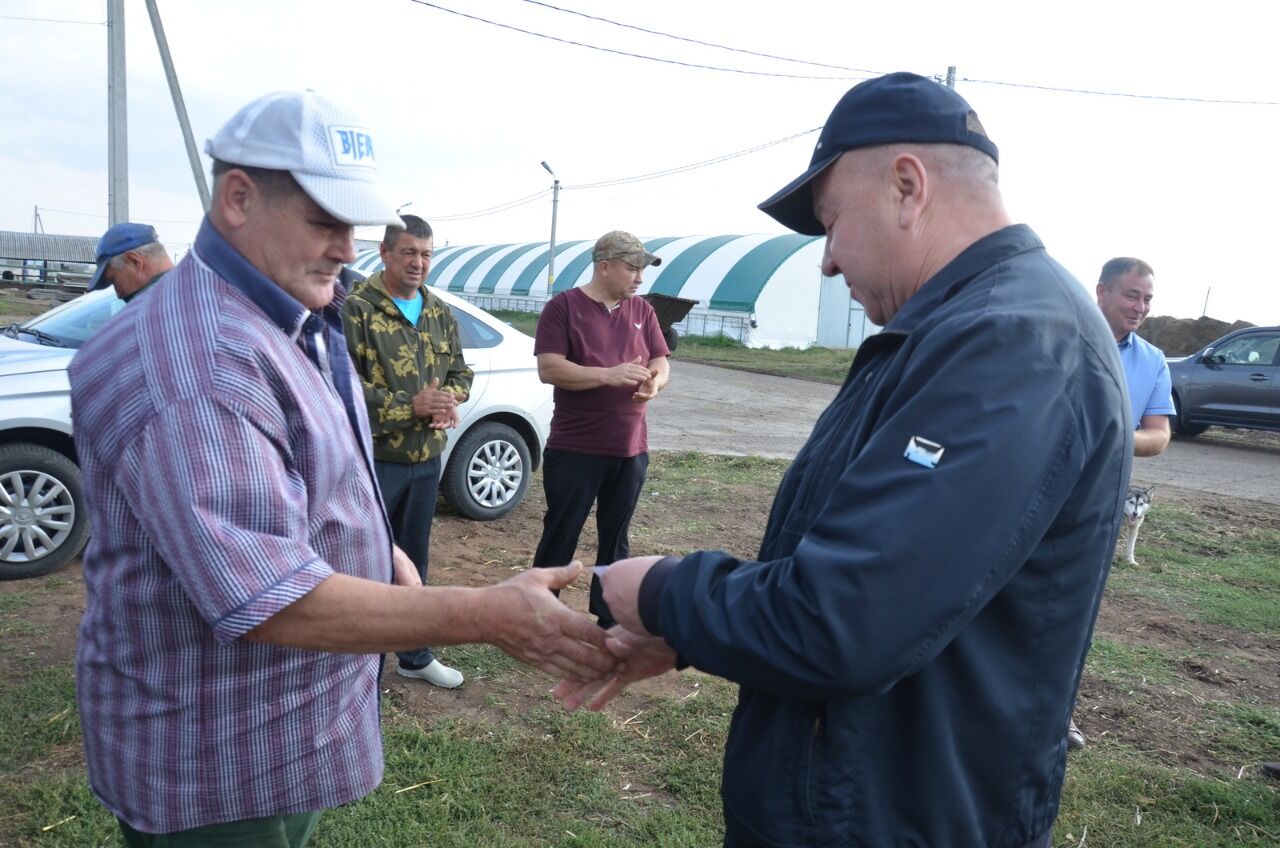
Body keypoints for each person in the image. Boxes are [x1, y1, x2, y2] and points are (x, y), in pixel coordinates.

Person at [561, 72, 1133, 848]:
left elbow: (844, 620)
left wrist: (663, 592)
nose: (828, 262)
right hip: (863, 792)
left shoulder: (1012, 343)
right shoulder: (956, 330)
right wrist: (698, 631)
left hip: (896, 815)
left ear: (906, 187)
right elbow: (864, 574)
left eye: (830, 223)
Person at [68, 90, 615, 847]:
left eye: (351, 224)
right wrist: (488, 614)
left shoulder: (281, 311)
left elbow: (300, 469)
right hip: (219, 769)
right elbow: (271, 601)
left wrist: (369, 543)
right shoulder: (199, 364)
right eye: (325, 221)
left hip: (274, 735)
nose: (348, 247)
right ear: (238, 199)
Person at [342, 214, 471, 689]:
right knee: (365, 561)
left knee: (415, 559)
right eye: (409, 252)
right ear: (385, 253)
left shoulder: (438, 311)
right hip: (373, 461)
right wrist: (409, 406)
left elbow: (461, 372)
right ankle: (355, 661)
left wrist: (448, 402)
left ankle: (414, 656)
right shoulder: (355, 310)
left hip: (425, 460)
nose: (419, 263)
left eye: (426, 254)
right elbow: (340, 389)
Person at [531, 230, 670, 628]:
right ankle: (540, 613)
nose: (639, 278)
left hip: (630, 449)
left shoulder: (642, 311)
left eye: (642, 269)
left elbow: (661, 360)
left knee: (616, 538)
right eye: (632, 268)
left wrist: (654, 382)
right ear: (604, 266)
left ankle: (609, 617)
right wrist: (608, 376)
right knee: (561, 533)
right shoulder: (564, 308)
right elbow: (549, 368)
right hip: (577, 448)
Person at [1065, 256, 1176, 751]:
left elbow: (1158, 437)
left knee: (1073, 610)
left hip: (1098, 501)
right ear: (1102, 291)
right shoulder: (1060, 334)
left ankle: (1057, 714)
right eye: (1132, 295)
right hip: (1029, 487)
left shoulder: (1152, 361)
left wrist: (1109, 436)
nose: (1141, 307)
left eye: (1148, 299)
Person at [85, 222, 175, 301]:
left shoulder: (152, 312)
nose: (118, 295)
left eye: (114, 280)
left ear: (135, 261)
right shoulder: (181, 295)